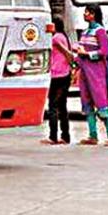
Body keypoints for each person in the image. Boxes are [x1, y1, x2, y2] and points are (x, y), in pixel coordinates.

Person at [76, 4, 108, 146]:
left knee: (102, 102)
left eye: (87, 12)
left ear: (94, 14)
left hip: (97, 73)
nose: (85, 15)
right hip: (84, 72)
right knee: (87, 102)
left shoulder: (100, 31)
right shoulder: (84, 32)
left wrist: (88, 54)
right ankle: (93, 135)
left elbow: (104, 52)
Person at [41, 17, 74, 145]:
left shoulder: (55, 38)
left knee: (53, 106)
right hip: (65, 74)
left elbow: (66, 54)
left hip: (56, 76)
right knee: (62, 107)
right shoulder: (64, 37)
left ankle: (53, 136)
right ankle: (66, 136)